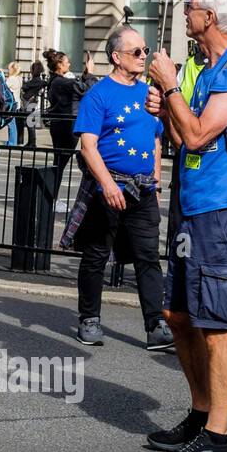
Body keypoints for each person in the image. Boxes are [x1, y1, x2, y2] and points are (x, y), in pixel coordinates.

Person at [146, 0, 227, 452]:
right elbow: (182, 138)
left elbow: (198, 137)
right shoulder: (213, 65)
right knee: (179, 316)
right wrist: (166, 106)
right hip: (192, 207)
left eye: (192, 6)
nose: (185, 11)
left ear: (210, 18)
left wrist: (172, 85)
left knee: (217, 326)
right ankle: (200, 415)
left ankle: (219, 437)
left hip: (224, 211)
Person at [67, 27, 171, 351]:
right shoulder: (99, 95)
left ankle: (155, 325)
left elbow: (156, 140)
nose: (144, 56)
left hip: (142, 190)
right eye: (136, 51)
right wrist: (107, 184)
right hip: (108, 188)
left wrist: (155, 182)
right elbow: (87, 145)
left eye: (145, 50)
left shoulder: (150, 93)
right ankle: (89, 318)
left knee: (148, 257)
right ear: (116, 57)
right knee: (96, 255)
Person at [44, 49, 94, 201]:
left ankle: (51, 197)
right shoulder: (62, 82)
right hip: (67, 126)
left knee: (59, 163)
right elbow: (88, 89)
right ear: (59, 64)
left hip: (60, 125)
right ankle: (51, 198)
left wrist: (85, 74)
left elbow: (79, 87)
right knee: (60, 164)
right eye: (66, 61)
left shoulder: (55, 81)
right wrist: (90, 74)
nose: (69, 63)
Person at [21, 61, 46, 147]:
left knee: (30, 123)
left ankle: (32, 143)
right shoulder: (41, 81)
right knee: (31, 123)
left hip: (30, 102)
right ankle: (31, 142)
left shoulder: (34, 81)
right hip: (34, 102)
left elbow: (24, 87)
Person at [4, 61, 24, 145]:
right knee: (12, 122)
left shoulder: (11, 79)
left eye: (9, 69)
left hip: (11, 104)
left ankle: (12, 141)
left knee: (11, 123)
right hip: (17, 103)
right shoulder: (19, 78)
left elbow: (4, 87)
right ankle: (12, 140)